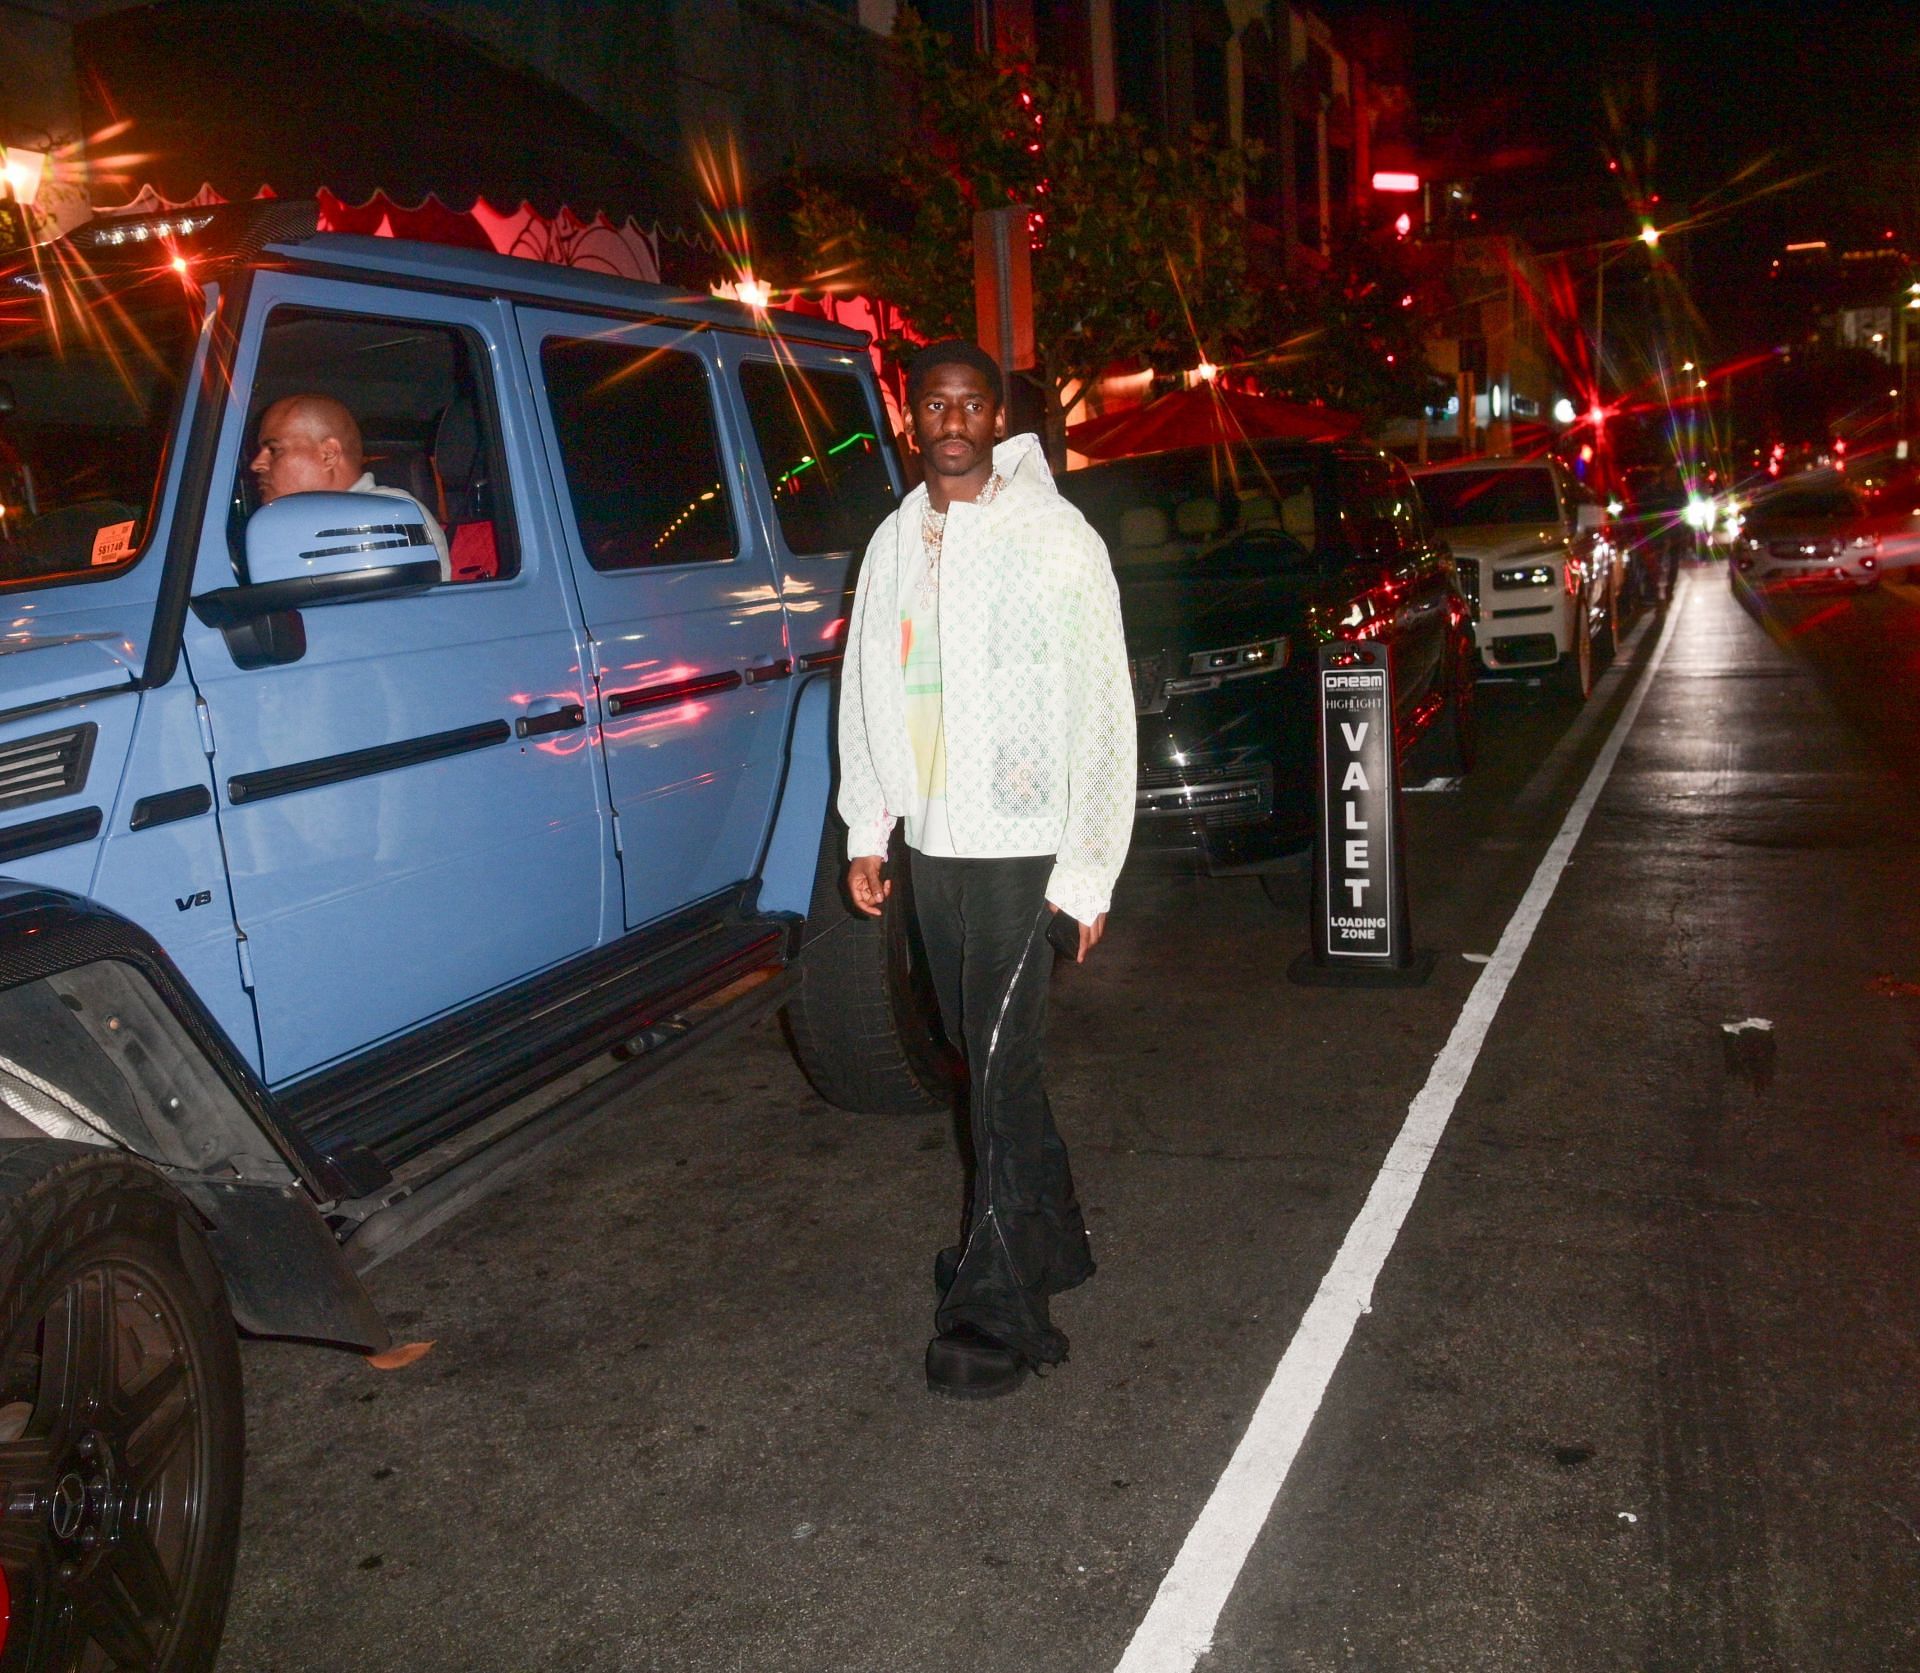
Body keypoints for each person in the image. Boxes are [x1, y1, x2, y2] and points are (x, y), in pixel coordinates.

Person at [837, 340, 1135, 1400]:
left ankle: (999, 1299)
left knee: (1001, 1062)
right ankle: (1048, 1234)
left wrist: (1090, 868)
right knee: (979, 1049)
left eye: (972, 402)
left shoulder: (1056, 538)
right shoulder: (890, 542)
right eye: (935, 403)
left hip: (1023, 843)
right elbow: (865, 684)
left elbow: (1105, 705)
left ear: (997, 415)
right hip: (935, 841)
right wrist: (868, 825)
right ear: (910, 417)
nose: (954, 419)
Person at [249, 393, 450, 578]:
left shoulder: (383, 517)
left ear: (329, 454)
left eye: (274, 450)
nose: (257, 464)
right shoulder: (295, 525)